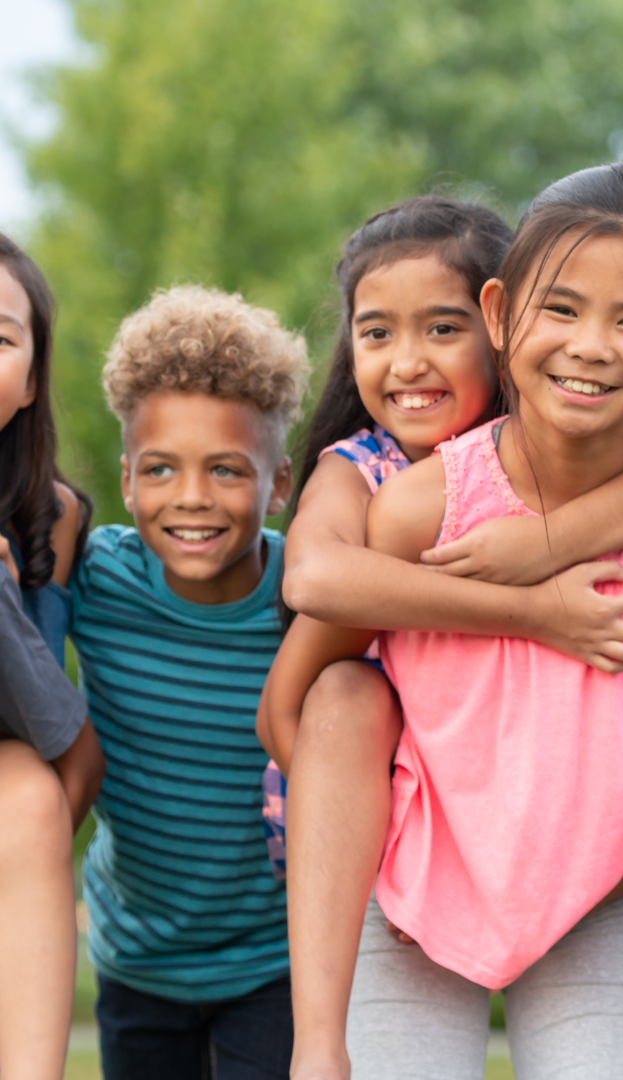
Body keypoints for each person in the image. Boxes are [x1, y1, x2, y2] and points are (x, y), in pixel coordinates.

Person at [257, 196, 623, 1079]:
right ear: (508, 318)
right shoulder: (411, 504)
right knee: (346, 696)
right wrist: (533, 605)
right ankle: (318, 1053)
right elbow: (290, 705)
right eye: (562, 309)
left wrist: (571, 863)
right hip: (415, 871)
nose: (589, 344)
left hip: (593, 883)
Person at [69, 285, 309, 1080]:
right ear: (130, 482)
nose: (192, 498)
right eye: (161, 470)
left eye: (227, 471)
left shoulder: (308, 601)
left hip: (273, 961)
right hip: (135, 954)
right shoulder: (96, 579)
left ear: (277, 489)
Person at [0, 232, 104, 1080]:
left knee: (29, 797)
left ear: (31, 379)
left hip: (17, 770)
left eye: (0, 338)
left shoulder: (52, 516)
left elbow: (53, 728)